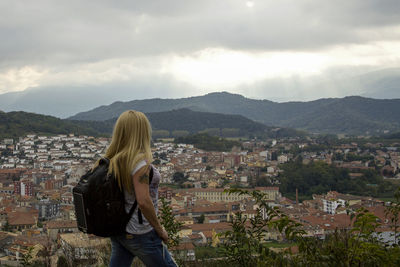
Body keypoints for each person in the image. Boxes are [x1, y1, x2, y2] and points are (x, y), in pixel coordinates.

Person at [100, 110, 177, 267]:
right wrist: (160, 229)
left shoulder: (113, 160)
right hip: (141, 232)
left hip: (120, 229)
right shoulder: (139, 164)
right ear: (142, 132)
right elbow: (143, 201)